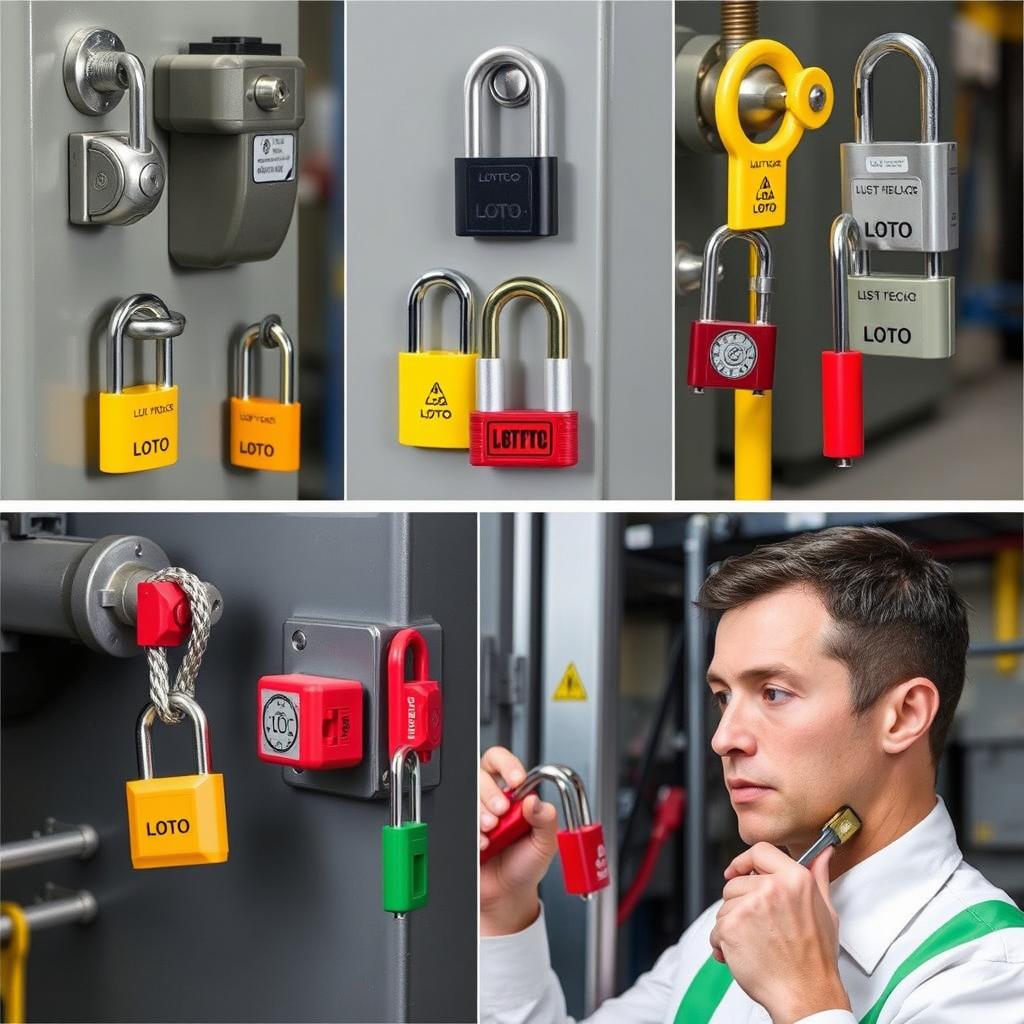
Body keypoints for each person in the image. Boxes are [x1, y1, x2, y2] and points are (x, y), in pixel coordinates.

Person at [480, 527, 1024, 1023]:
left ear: (903, 716)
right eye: (723, 696)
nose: (724, 738)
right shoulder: (735, 921)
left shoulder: (989, 972)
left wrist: (806, 1001)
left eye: (774, 693)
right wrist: (504, 910)